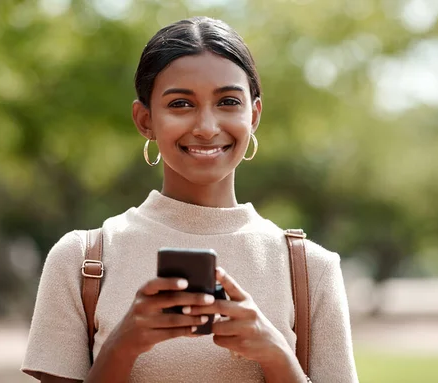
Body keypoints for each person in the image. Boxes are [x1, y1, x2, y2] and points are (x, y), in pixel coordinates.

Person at [21, 16, 358, 383]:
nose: (207, 127)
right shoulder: (82, 259)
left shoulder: (311, 269)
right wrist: (123, 344)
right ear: (145, 120)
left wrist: (276, 354)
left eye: (228, 101)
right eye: (181, 104)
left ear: (254, 115)